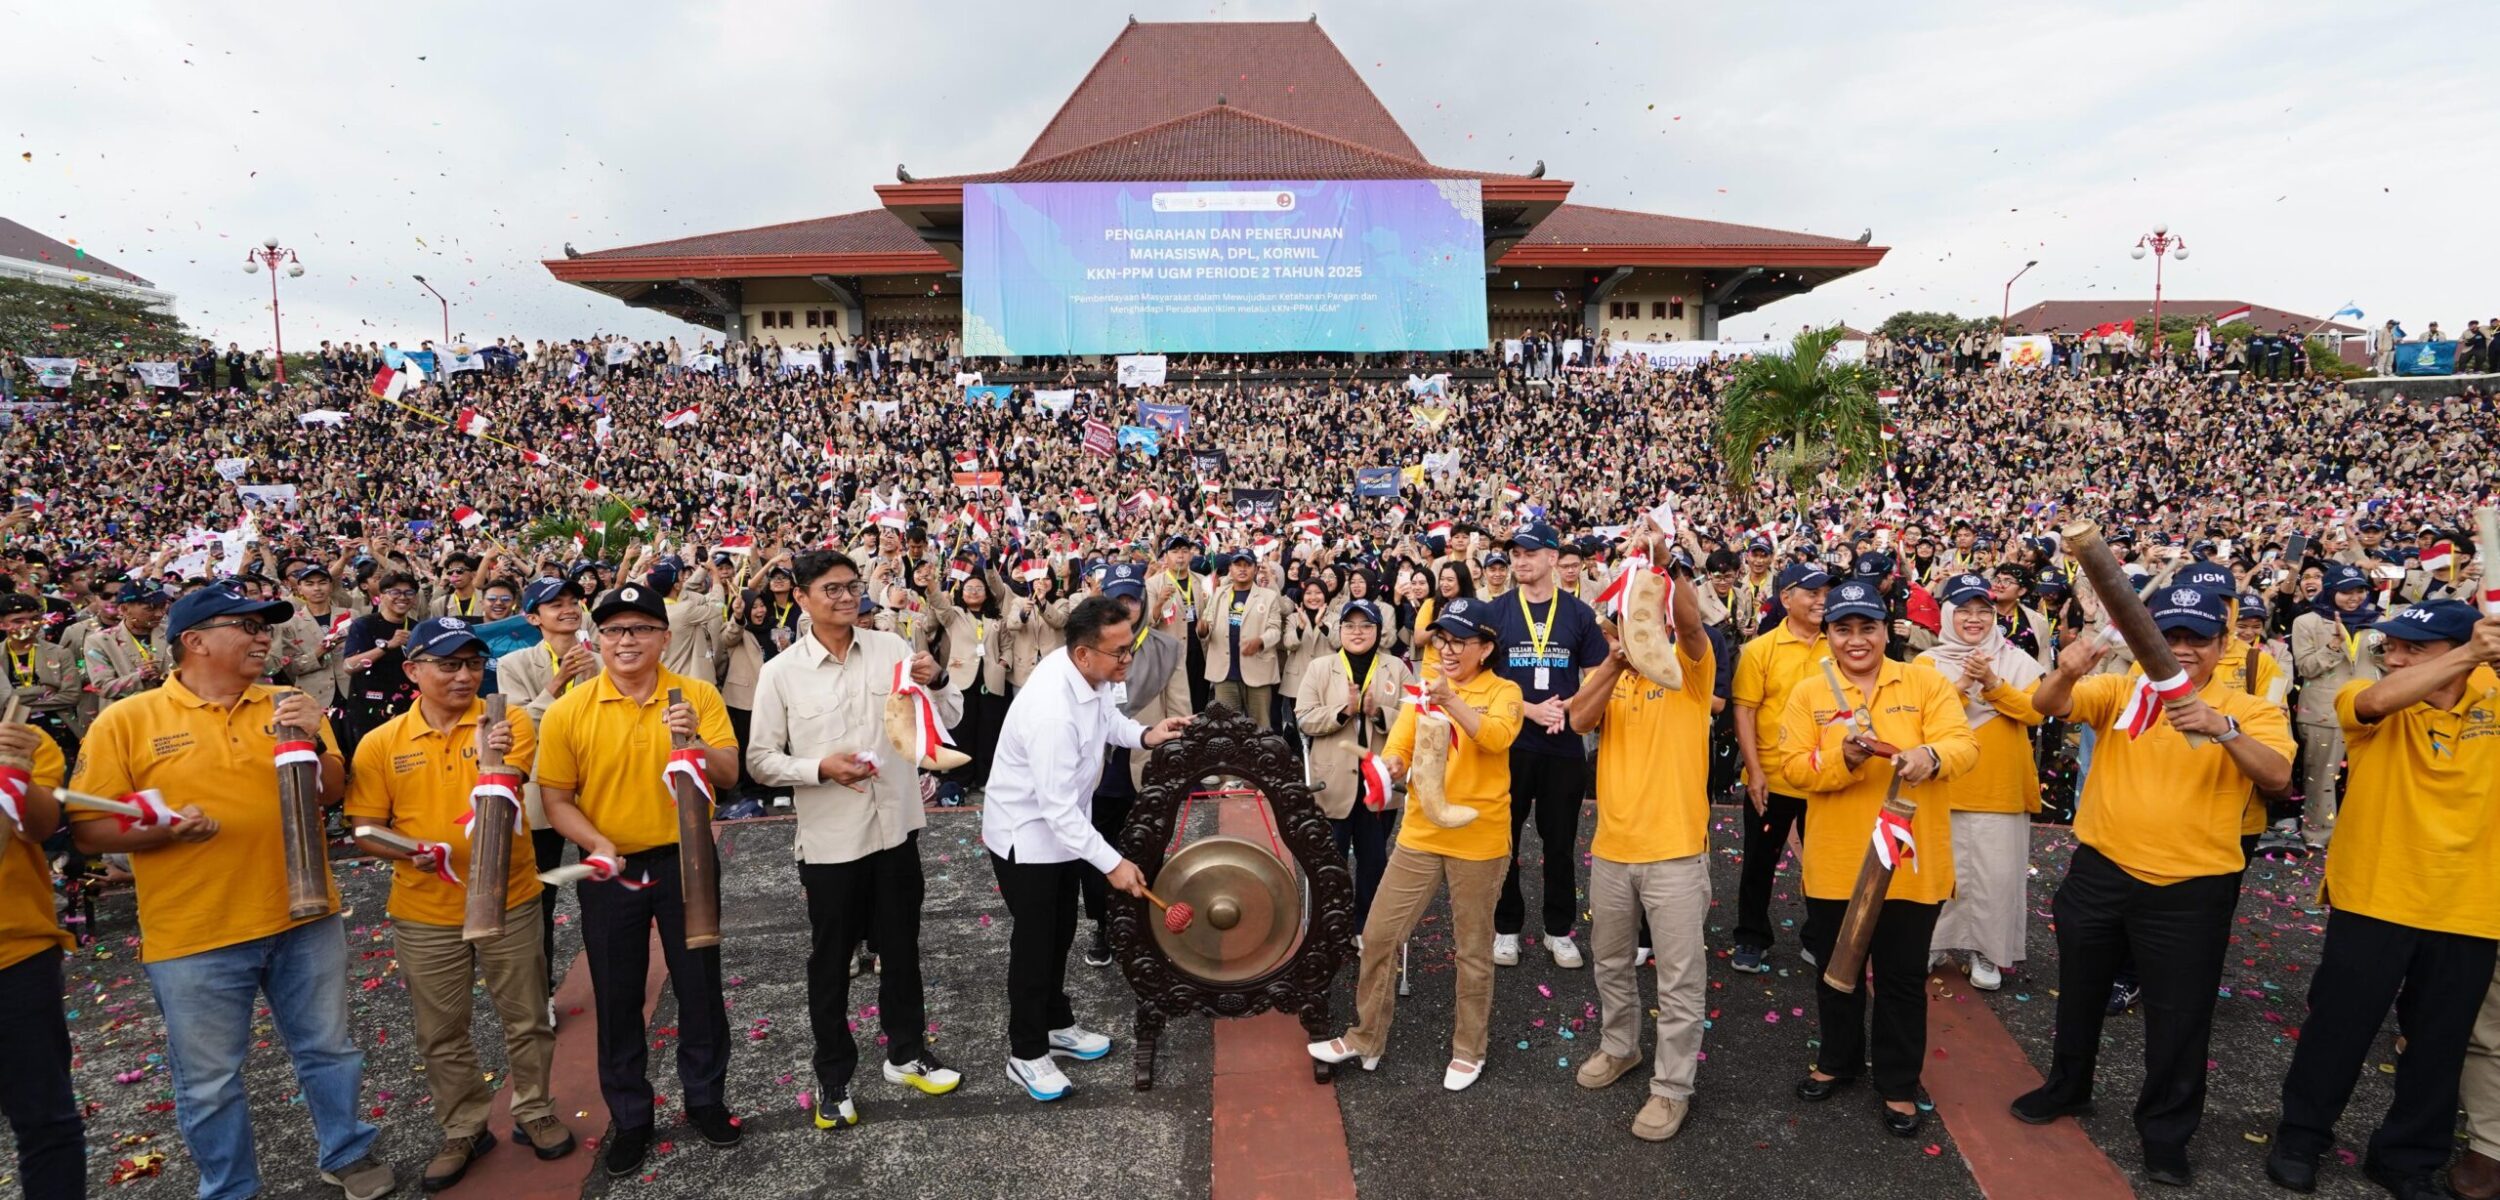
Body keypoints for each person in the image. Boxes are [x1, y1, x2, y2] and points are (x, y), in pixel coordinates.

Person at [68, 583, 395, 1200]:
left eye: (265, 626)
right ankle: (229, 1188)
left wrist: (312, 733)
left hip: (304, 914)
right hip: (195, 933)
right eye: (244, 626)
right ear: (193, 641)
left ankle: (346, 1151)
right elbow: (89, 829)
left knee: (329, 1049)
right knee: (210, 1081)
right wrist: (158, 824)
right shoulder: (128, 721)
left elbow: (330, 792)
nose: (262, 636)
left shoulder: (288, 700)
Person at [2011, 584, 2294, 1187]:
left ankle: (2166, 1132)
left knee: (2179, 1017)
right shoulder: (2121, 690)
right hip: (2102, 872)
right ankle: (2068, 1086)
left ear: (2223, 644)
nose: (2183, 649)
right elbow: (2048, 704)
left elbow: (2277, 777)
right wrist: (2064, 671)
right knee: (2082, 992)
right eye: (2170, 637)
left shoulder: (2254, 707)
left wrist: (2222, 727)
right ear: (2146, 641)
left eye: (2199, 638)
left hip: (2192, 887)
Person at [2267, 603, 2500, 1199]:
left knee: (2440, 1042)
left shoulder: (2492, 693)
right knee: (2340, 1027)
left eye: (2412, 649)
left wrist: (2479, 656)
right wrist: (2469, 653)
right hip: (2376, 894)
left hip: (2471, 903)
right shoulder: (2369, 700)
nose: (2391, 658)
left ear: (2454, 650)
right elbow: (2370, 703)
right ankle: (2302, 1136)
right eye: (2389, 646)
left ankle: (2407, 1157)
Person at [343, 617, 574, 1189]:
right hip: (424, 909)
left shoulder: (505, 721)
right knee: (441, 1029)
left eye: (473, 664)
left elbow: (506, 783)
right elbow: (366, 828)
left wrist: (488, 751)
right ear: (413, 670)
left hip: (509, 897)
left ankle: (535, 1109)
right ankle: (464, 1126)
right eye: (448, 665)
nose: (465, 676)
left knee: (525, 1016)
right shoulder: (381, 743)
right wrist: (405, 850)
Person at [747, 550, 963, 1130]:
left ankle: (906, 1051)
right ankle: (834, 1074)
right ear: (803, 598)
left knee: (901, 949)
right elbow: (761, 760)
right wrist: (820, 769)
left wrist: (938, 681)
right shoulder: (781, 672)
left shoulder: (892, 651)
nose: (846, 599)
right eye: (831, 590)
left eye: (852, 588)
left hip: (895, 830)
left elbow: (944, 719)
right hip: (830, 844)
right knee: (830, 961)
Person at [534, 582, 744, 1177]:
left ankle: (705, 1099)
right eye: (614, 630)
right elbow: (557, 799)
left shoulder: (697, 696)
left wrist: (697, 742)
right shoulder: (571, 709)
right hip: (611, 868)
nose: (627, 641)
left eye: (641, 629)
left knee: (699, 983)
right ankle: (631, 1117)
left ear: (664, 637)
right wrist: (596, 843)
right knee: (618, 992)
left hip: (689, 858)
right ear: (596, 639)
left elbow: (729, 774)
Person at [1777, 580, 1978, 1137]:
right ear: (1829, 634)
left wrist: (1929, 756)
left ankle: (1896, 1083)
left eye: (1868, 628)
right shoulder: (1808, 692)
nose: (1856, 640)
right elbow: (1791, 767)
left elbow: (1964, 747)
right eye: (1843, 629)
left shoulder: (1924, 682)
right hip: (1837, 861)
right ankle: (1838, 1062)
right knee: (1834, 970)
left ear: (1887, 631)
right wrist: (1837, 757)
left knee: (1901, 977)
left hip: (1912, 865)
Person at [1308, 597, 1524, 1092]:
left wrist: (1449, 699)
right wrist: (1390, 769)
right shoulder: (1422, 691)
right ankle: (1365, 1037)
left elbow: (1494, 738)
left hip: (1479, 837)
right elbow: (1401, 748)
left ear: (1486, 648)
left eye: (1459, 642)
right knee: (1381, 935)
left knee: (1471, 951)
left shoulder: (1504, 691)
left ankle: (1469, 1050)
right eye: (1442, 639)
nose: (1446, 650)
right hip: (1421, 832)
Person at [983, 595, 1190, 1102]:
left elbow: (1109, 723)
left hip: (1063, 830)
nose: (1128, 661)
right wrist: (1114, 863)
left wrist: (1146, 733)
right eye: (1119, 652)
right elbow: (1055, 809)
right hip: (1026, 835)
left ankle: (1055, 1023)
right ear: (1083, 654)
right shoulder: (1052, 709)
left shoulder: (1092, 677)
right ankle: (1026, 1052)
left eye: (1130, 648)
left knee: (1061, 931)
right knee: (1035, 944)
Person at [1563, 540, 1713, 1141]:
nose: (1635, 623)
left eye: (1642, 612)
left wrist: (1665, 564)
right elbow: (1577, 720)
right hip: (1614, 850)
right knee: (1610, 962)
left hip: (1675, 852)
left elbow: (1694, 625)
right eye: (1624, 616)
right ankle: (1620, 1046)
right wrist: (1614, 663)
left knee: (1679, 978)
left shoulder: (1687, 669)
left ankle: (1672, 1088)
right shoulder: (1615, 676)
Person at [1485, 522, 1611, 969]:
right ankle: (1506, 927)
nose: (1519, 561)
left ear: (1553, 559)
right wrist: (1529, 710)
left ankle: (1559, 930)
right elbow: (1482, 679)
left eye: (1530, 553)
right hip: (1512, 742)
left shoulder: (1578, 614)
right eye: (1515, 553)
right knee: (1506, 839)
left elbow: (1598, 675)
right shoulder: (1497, 611)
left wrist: (1570, 707)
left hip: (1563, 745)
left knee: (1559, 843)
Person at [1918, 574, 2047, 990]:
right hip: (1944, 783)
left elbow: (2036, 713)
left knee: (1995, 875)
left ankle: (1987, 953)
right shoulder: (1928, 664)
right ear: (1948, 614)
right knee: (1941, 871)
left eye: (1983, 611)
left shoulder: (2018, 661)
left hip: (1999, 786)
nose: (1974, 620)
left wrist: (1993, 685)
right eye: (1964, 611)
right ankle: (1935, 943)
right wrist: (1961, 685)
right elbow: (1920, 719)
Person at [1080, 565, 1191, 968]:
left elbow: (1179, 706)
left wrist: (1179, 760)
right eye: (1118, 599)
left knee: (1149, 848)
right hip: (1103, 768)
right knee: (1098, 851)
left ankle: (1148, 924)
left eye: (1133, 599)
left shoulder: (1165, 647)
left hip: (1147, 762)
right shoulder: (1087, 646)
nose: (1127, 607)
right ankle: (1104, 925)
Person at [494, 576, 595, 1012]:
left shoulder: (604, 656)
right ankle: (543, 993)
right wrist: (558, 682)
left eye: (574, 602)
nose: (568, 609)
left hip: (595, 788)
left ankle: (613, 978)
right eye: (555, 605)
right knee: (541, 899)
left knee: (605, 890)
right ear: (533, 617)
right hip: (540, 791)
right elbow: (520, 726)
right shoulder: (513, 664)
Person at [1729, 562, 1832, 974]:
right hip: (1772, 776)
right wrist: (1754, 771)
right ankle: (1752, 937)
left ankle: (1820, 936)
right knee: (1759, 862)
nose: (1821, 601)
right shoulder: (1760, 650)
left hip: (1828, 777)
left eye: (1826, 593)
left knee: (1825, 864)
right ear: (1786, 598)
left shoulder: (1838, 643)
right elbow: (1745, 712)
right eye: (1811, 593)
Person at [1294, 597, 1414, 934]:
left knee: (1373, 861)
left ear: (1379, 631)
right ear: (1340, 630)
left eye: (1366, 626)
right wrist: (1343, 712)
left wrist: (1378, 713)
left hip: (1379, 783)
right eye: (1350, 625)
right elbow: (1303, 718)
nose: (1357, 632)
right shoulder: (1321, 667)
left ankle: (1365, 928)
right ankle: (1328, 927)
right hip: (1333, 782)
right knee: (1329, 861)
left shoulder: (1396, 668)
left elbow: (1412, 721)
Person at [0, 707, 80, 1199]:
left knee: (45, 1119)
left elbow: (41, 826)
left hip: (16, 954)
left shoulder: (20, 736)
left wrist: (16, 773)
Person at [2289, 564, 2383, 848]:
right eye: (2346, 592)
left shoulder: (2379, 620)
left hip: (2369, 708)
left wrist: (2384, 650)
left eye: (2359, 591)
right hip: (2323, 711)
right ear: (2331, 592)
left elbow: (2389, 664)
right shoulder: (2307, 622)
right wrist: (2332, 646)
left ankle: (2360, 832)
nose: (2354, 598)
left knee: (2369, 777)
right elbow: (2305, 668)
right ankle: (2319, 834)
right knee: (2321, 777)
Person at [1199, 551, 1284, 730]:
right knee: (1225, 729)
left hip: (1258, 672)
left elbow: (1275, 631)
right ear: (1230, 569)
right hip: (1225, 674)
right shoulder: (1219, 594)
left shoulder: (1268, 597)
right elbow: (1208, 624)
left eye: (1247, 565)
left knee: (1260, 729)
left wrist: (1260, 641)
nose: (1243, 569)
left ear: (1255, 569)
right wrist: (1203, 630)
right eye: (1238, 565)